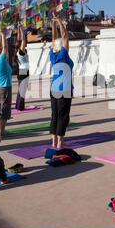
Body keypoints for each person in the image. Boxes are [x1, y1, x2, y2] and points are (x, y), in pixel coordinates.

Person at [49, 12, 74, 149]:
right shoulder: (64, 55)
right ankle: (59, 143)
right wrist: (58, 20)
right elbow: (64, 36)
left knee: (55, 115)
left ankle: (53, 141)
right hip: (64, 90)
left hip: (53, 89)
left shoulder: (53, 55)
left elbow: (54, 40)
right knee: (63, 116)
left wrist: (53, 24)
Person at [0, 30, 12, 137]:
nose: (7, 53)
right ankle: (0, 132)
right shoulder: (2, 62)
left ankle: (2, 130)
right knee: (2, 111)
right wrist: (4, 36)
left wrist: (0, 37)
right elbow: (4, 48)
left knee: (2, 110)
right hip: (4, 89)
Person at [15, 23, 30, 111]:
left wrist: (19, 29)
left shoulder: (17, 52)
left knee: (21, 89)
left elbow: (19, 39)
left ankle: (18, 105)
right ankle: (20, 107)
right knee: (22, 90)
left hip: (21, 71)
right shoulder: (21, 52)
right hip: (24, 71)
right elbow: (23, 40)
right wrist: (21, 30)